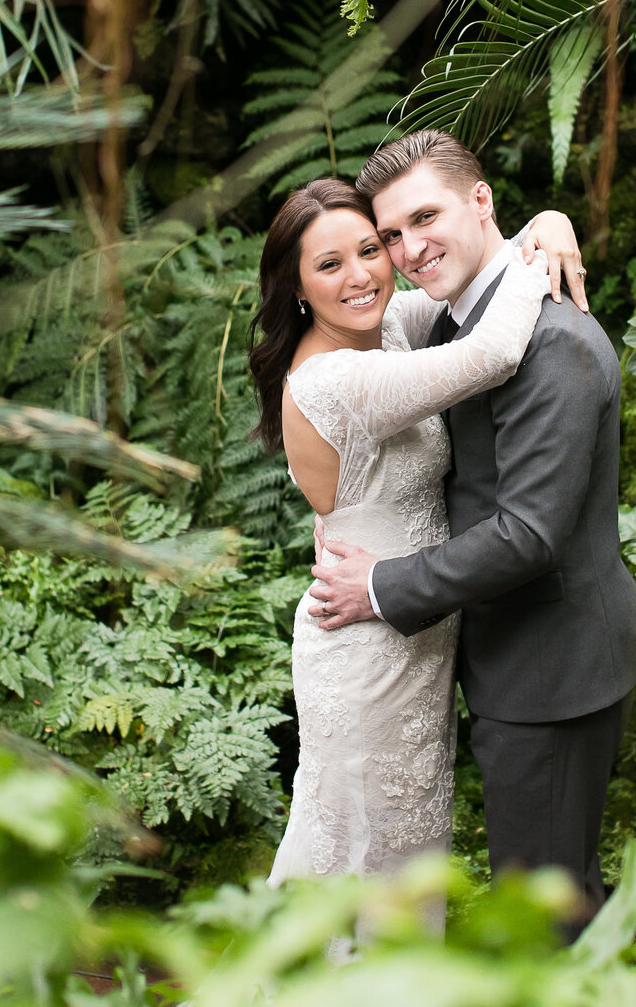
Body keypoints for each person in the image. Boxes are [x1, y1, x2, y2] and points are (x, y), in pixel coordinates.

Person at [309, 131, 636, 923]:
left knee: (545, 916)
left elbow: (529, 533)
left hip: (552, 667)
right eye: (391, 234)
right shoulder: (456, 318)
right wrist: (550, 222)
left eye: (424, 217)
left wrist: (381, 586)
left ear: (482, 199)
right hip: (512, 656)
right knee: (549, 898)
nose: (409, 248)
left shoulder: (552, 342)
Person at [249, 177, 585, 889]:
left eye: (370, 249)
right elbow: (490, 353)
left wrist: (546, 222)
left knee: (401, 854)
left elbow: (468, 285)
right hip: (368, 644)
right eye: (329, 264)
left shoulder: (387, 328)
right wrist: (542, 247)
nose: (363, 274)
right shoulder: (335, 377)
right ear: (298, 287)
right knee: (360, 858)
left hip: (416, 633)